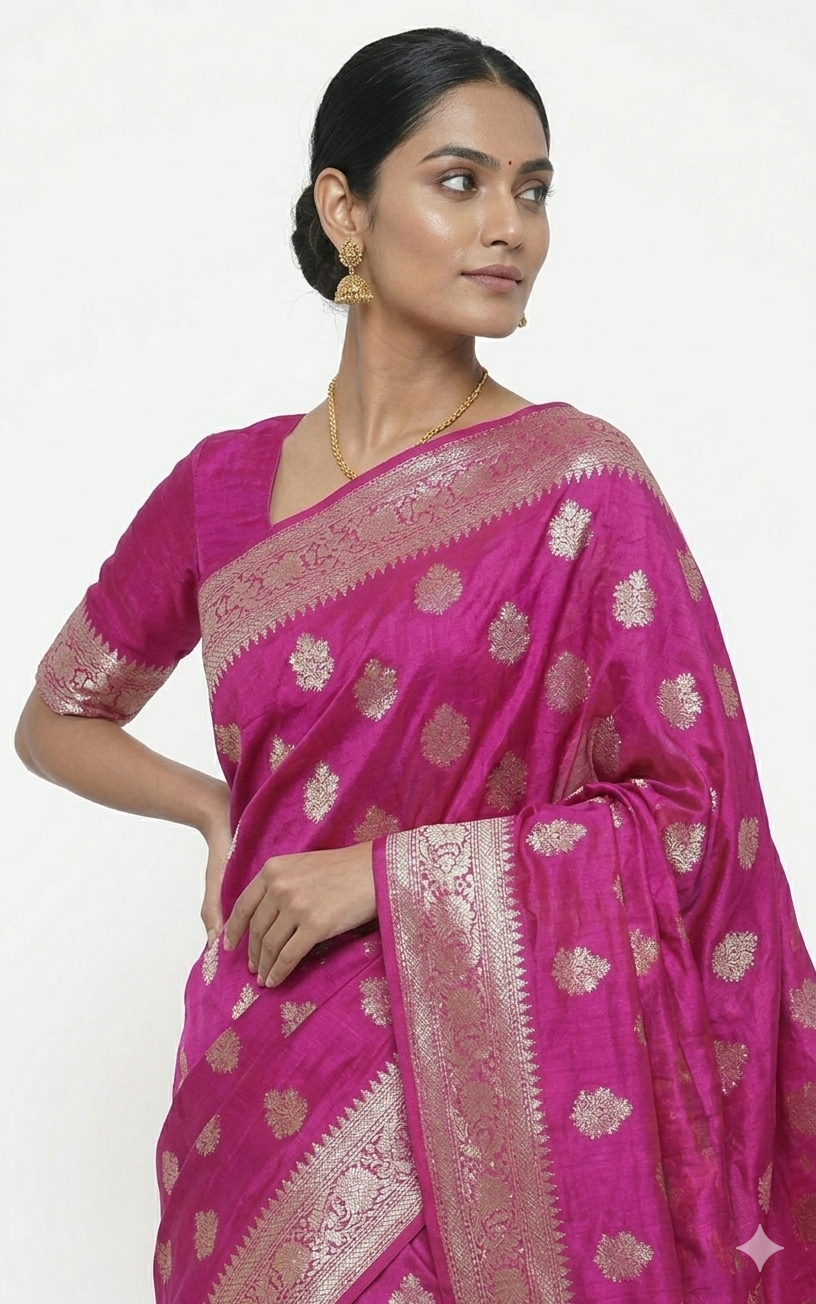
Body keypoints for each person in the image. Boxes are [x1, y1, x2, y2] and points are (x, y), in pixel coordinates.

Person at [14, 25, 815, 1304]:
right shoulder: (221, 489)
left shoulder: (581, 485)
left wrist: (384, 876)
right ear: (346, 206)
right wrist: (215, 810)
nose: (511, 225)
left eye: (534, 188)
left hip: (500, 1094)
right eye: (461, 181)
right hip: (263, 1076)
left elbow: (690, 814)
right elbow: (56, 716)